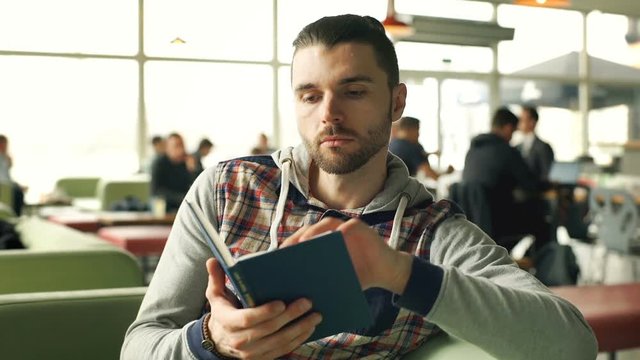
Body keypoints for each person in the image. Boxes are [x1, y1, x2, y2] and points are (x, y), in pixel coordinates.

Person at [122, 15, 596, 359]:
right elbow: (139, 344)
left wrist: (398, 272)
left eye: (353, 91)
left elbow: (572, 345)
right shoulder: (227, 190)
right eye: (311, 95)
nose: (329, 113)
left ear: (396, 101)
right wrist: (212, 340)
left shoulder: (432, 233)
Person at [462, 107, 550, 251]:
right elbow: (530, 185)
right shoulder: (506, 151)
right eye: (514, 132)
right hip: (497, 222)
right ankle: (541, 270)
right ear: (508, 128)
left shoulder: (473, 150)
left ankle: (506, 260)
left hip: (471, 223)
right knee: (543, 221)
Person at [389, 116, 453, 180]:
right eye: (418, 130)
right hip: (403, 187)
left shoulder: (392, 144)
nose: (418, 134)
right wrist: (447, 173)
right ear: (409, 129)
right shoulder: (411, 147)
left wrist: (430, 154)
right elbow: (432, 175)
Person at [150, 132, 197, 212]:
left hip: (186, 208)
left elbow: (198, 187)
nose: (180, 149)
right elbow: (156, 191)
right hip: (166, 207)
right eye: (176, 146)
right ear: (167, 148)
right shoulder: (159, 163)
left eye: (182, 145)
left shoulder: (189, 161)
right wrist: (182, 198)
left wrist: (192, 170)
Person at [517, 105, 555, 181]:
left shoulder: (543, 147)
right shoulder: (517, 147)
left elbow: (547, 174)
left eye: (522, 120)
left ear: (532, 122)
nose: (518, 123)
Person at [0, 135, 25, 216]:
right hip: (3, 185)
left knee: (18, 191)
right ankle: (16, 216)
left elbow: (7, 176)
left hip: (7, 184)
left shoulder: (5, 158)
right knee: (17, 192)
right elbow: (3, 177)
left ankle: (16, 215)